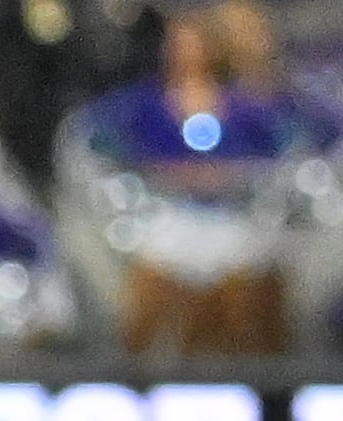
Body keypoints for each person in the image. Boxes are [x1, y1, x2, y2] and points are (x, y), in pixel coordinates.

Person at [75, 7, 296, 357]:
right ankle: (134, 378)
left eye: (196, 44)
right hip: (165, 219)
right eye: (179, 44)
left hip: (232, 220)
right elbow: (95, 139)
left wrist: (233, 176)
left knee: (248, 294)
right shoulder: (140, 105)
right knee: (149, 293)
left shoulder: (246, 107)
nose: (188, 53)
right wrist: (156, 175)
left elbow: (282, 151)